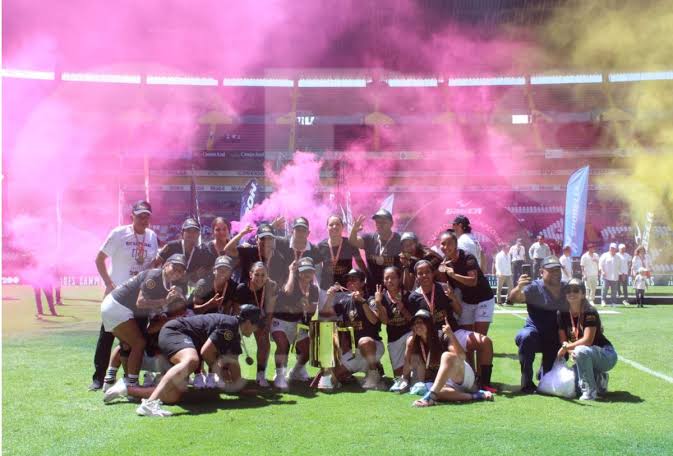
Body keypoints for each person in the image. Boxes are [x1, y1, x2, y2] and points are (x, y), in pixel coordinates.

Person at [103, 305, 262, 416]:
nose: (257, 330)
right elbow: (206, 352)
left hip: (180, 339)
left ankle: (126, 389)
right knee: (192, 360)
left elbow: (234, 363)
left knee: (173, 396)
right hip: (175, 332)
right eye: (257, 326)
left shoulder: (235, 332)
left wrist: (239, 388)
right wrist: (218, 369)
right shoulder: (230, 326)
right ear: (248, 323)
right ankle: (149, 404)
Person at [90, 200, 159, 391]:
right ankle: (99, 378)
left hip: (139, 297)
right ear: (132, 216)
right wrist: (109, 283)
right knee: (107, 336)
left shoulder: (152, 236)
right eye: (140, 215)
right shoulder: (119, 233)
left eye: (147, 215)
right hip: (117, 295)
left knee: (136, 337)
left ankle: (129, 377)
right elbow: (99, 259)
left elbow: (152, 265)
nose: (144, 219)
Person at [100, 253, 187, 390]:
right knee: (139, 343)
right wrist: (165, 301)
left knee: (127, 344)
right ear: (165, 265)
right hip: (118, 307)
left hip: (116, 306)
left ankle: (110, 380)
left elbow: (154, 306)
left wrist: (168, 300)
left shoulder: (165, 283)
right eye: (174, 267)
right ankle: (132, 385)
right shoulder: (156, 276)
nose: (177, 272)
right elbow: (140, 302)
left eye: (181, 270)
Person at [410, 260, 494, 392]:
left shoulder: (443, 288)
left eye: (427, 272)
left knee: (485, 342)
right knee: (452, 359)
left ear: (433, 274)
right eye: (420, 273)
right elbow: (415, 325)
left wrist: (453, 298)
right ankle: (458, 383)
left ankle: (484, 383)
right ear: (416, 277)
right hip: (432, 339)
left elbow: (459, 311)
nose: (424, 275)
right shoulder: (413, 297)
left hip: (453, 332)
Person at [404, 310, 494, 407]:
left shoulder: (442, 336)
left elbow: (461, 357)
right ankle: (475, 396)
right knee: (437, 391)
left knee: (446, 356)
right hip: (446, 383)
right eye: (415, 323)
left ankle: (430, 398)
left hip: (461, 374)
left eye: (421, 322)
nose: (417, 325)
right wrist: (405, 379)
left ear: (429, 323)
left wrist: (451, 335)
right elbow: (407, 363)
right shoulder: (415, 342)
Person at [509, 256, 567, 393]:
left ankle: (543, 371)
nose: (556, 273)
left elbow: (581, 305)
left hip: (556, 339)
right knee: (526, 336)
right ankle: (526, 381)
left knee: (547, 381)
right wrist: (518, 287)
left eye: (558, 270)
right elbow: (514, 299)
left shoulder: (567, 287)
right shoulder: (534, 287)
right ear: (541, 272)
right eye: (551, 270)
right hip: (536, 335)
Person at [557, 278, 617, 401]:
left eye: (575, 290)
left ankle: (590, 391)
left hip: (605, 355)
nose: (571, 293)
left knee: (580, 350)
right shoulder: (561, 313)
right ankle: (600, 378)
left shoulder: (589, 311)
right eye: (568, 290)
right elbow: (564, 341)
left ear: (583, 294)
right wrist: (568, 350)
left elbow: (587, 340)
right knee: (572, 386)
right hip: (583, 354)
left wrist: (566, 348)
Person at [327, 269, 385, 389]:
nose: (350, 282)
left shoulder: (370, 299)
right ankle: (371, 368)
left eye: (354, 279)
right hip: (354, 351)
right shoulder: (344, 301)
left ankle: (373, 373)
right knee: (333, 375)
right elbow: (327, 315)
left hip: (372, 346)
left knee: (364, 341)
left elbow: (374, 320)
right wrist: (330, 298)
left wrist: (362, 302)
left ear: (363, 283)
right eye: (348, 280)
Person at [271, 257, 320, 391]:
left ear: (313, 272)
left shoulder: (314, 289)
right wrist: (291, 272)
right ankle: (279, 375)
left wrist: (304, 308)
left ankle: (295, 372)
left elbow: (311, 310)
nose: (307, 274)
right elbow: (287, 292)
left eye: (310, 271)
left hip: (297, 323)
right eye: (304, 271)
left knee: (307, 350)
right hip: (280, 320)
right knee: (282, 345)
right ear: (299, 272)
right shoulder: (291, 281)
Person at [438, 231, 495, 336]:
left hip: (484, 299)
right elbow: (447, 286)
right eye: (442, 244)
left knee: (480, 338)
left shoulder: (468, 257)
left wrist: (454, 275)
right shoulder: (444, 263)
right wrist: (441, 273)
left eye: (449, 243)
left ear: (456, 244)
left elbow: (473, 281)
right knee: (467, 339)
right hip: (467, 302)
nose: (445, 247)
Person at [370, 266, 417, 390]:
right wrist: (379, 303)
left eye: (393, 278)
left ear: (399, 279)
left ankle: (410, 377)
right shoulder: (381, 297)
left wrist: (402, 308)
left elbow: (414, 321)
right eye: (386, 278)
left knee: (411, 341)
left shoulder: (409, 296)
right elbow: (385, 321)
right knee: (398, 374)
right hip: (393, 339)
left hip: (408, 333)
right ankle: (406, 377)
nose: (390, 281)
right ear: (383, 281)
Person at [233, 261, 278, 387]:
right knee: (232, 345)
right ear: (250, 274)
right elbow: (236, 310)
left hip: (260, 319)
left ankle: (260, 375)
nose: (260, 278)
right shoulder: (242, 288)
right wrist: (244, 328)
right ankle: (232, 374)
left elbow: (270, 310)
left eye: (263, 275)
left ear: (267, 275)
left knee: (264, 343)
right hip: (242, 320)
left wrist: (267, 326)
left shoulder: (271, 287)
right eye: (257, 274)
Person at [349, 209, 402, 295]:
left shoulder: (399, 240)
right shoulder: (369, 238)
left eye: (383, 222)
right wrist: (354, 230)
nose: (379, 225)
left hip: (393, 288)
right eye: (377, 222)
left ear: (391, 224)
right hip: (373, 287)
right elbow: (353, 241)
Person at [154, 217, 208, 286]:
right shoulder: (171, 246)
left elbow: (197, 274)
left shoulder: (199, 253)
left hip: (182, 289)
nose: (192, 234)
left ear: (198, 234)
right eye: (188, 231)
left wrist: (190, 276)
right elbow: (155, 264)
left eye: (195, 231)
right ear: (182, 233)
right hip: (164, 285)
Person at [316, 215, 358, 292]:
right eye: (331, 225)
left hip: (346, 289)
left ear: (342, 227)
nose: (334, 227)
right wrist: (320, 287)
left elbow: (359, 262)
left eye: (337, 224)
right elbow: (317, 269)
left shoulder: (349, 243)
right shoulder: (320, 246)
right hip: (326, 290)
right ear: (327, 228)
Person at [599, 243, 621, 307]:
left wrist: (620, 274)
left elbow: (619, 267)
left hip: (615, 277)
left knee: (614, 291)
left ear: (616, 249)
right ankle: (603, 301)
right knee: (604, 289)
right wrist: (602, 271)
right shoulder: (604, 255)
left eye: (614, 248)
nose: (612, 249)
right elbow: (600, 264)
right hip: (606, 276)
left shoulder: (618, 257)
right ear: (609, 248)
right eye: (611, 248)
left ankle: (613, 302)